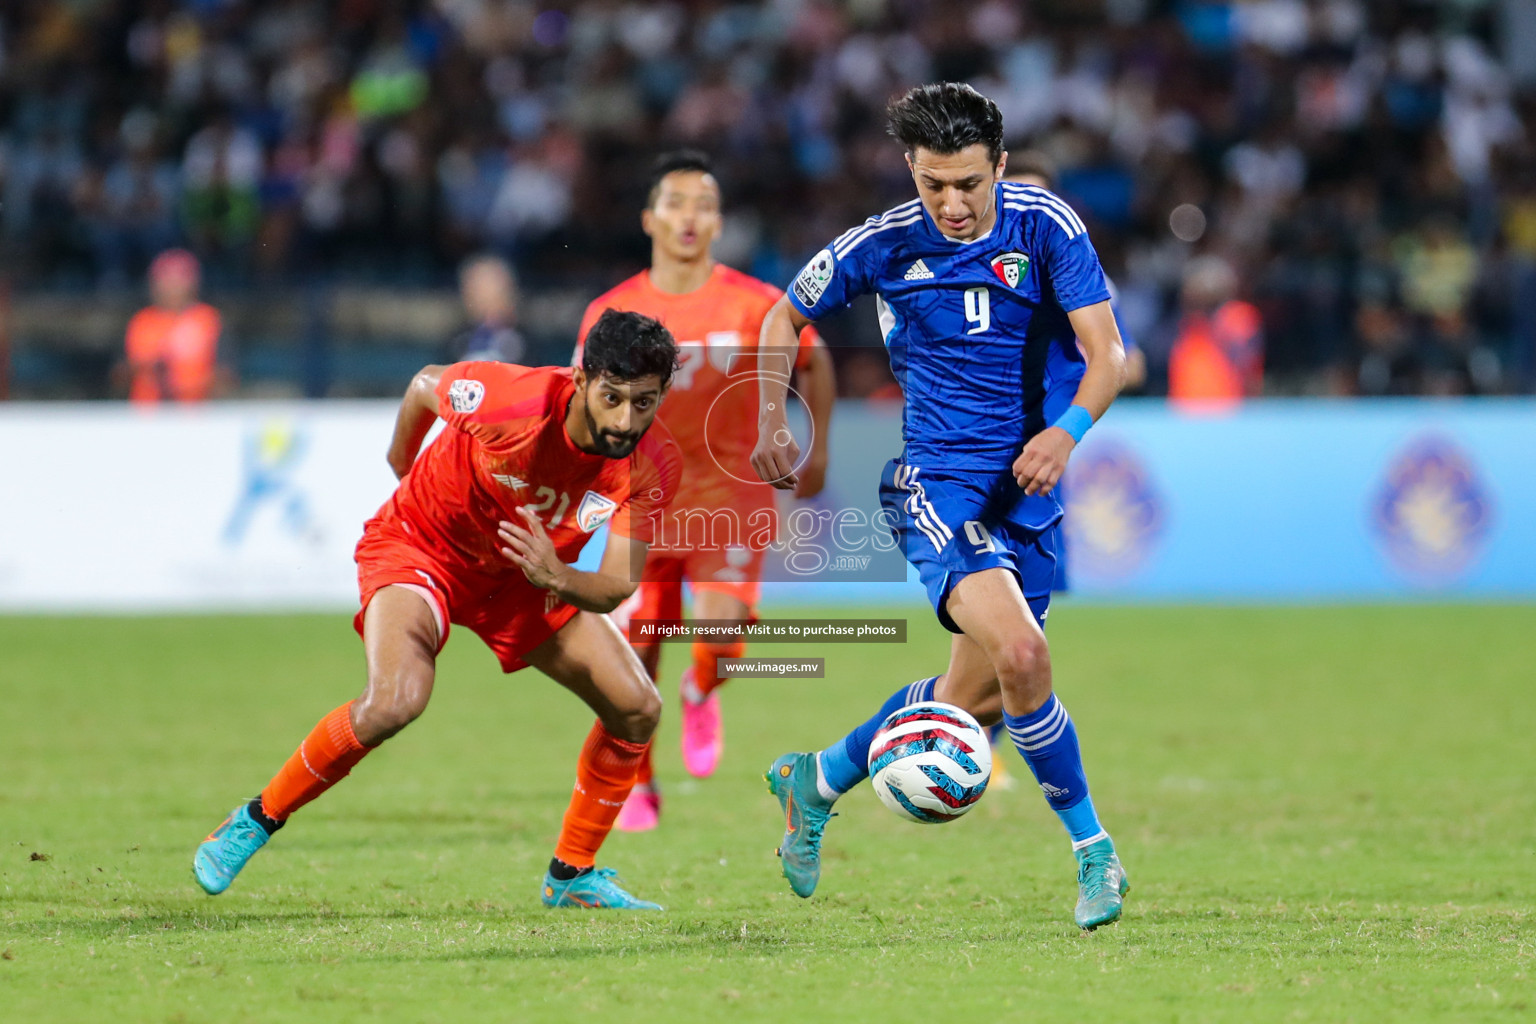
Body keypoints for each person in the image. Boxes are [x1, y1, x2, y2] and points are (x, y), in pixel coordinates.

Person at [752, 83, 1131, 929]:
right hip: (937, 485)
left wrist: (1067, 432)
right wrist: (774, 411)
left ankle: (812, 780)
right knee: (1025, 658)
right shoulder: (883, 243)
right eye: (933, 185)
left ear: (999, 165)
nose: (953, 205)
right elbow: (782, 315)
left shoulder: (1047, 225)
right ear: (910, 172)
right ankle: (1094, 854)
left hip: (1030, 485)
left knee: (981, 694)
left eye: (969, 183)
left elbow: (1107, 354)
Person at [193, 309, 683, 911]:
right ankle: (254, 819)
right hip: (423, 547)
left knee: (636, 709)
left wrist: (556, 576)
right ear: (582, 380)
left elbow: (615, 585)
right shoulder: (514, 402)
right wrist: (404, 461)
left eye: (645, 403)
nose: (625, 420)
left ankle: (572, 873)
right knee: (396, 701)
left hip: (524, 578)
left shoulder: (654, 462)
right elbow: (426, 383)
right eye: (613, 398)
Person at [572, 150, 836, 832]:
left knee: (720, 634)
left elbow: (816, 360)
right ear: (649, 219)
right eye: (676, 203)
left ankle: (704, 684)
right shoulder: (612, 310)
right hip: (642, 501)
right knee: (634, 653)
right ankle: (639, 783)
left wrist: (818, 446)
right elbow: (583, 407)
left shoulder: (755, 305)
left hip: (729, 498)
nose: (690, 217)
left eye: (703, 205)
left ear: (719, 222)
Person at [120, 249, 226, 404]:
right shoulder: (141, 321)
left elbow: (226, 376)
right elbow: (119, 375)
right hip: (146, 416)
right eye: (166, 280)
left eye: (178, 280)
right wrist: (147, 368)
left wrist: (183, 386)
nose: (172, 287)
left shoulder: (208, 319)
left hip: (197, 415)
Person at [1167, 255, 1263, 408]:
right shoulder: (1185, 325)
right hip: (1184, 414)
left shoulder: (1238, 316)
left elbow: (1248, 366)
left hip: (1226, 412)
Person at [452, 253, 527, 363]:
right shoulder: (456, 341)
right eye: (474, 286)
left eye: (489, 284)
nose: (482, 293)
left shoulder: (525, 341)